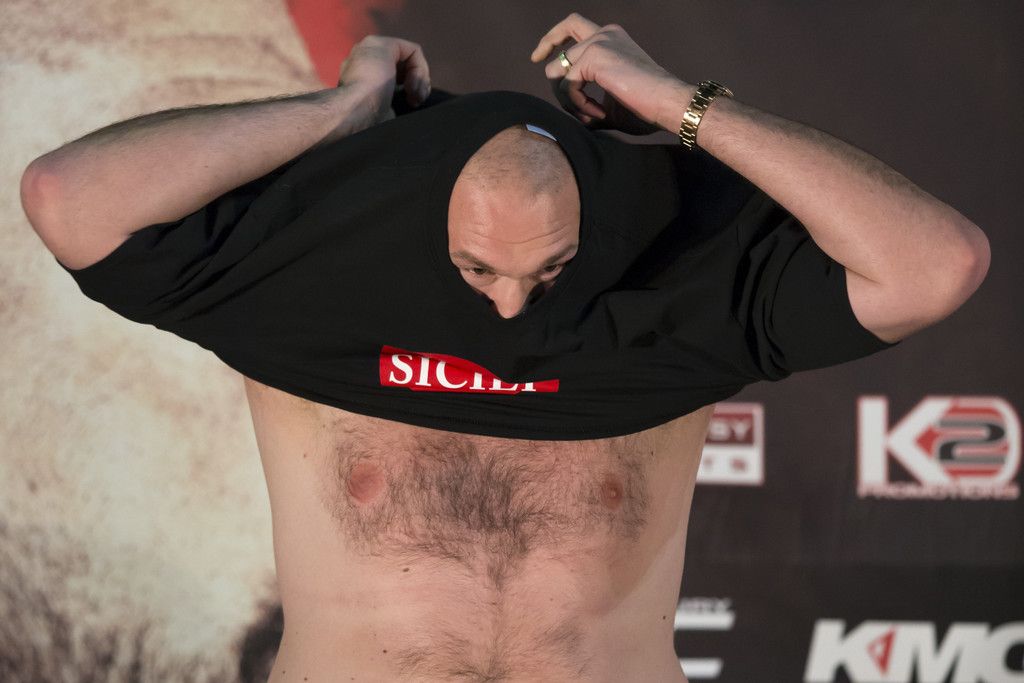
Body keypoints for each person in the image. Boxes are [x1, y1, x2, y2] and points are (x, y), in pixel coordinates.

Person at [20, 13, 989, 683]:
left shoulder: (676, 277)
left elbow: (935, 263)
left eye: (552, 269)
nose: (512, 304)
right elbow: (69, 197)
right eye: (477, 268)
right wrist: (336, 111)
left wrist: (677, 105)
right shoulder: (310, 269)